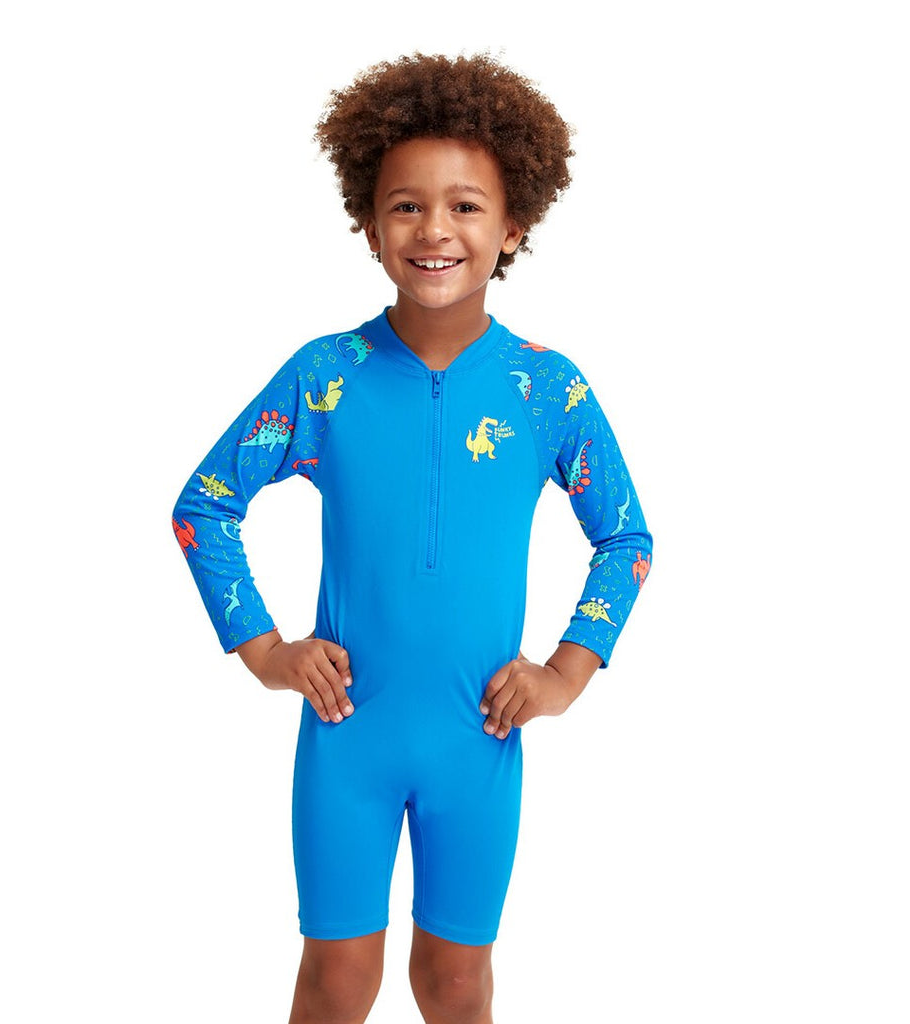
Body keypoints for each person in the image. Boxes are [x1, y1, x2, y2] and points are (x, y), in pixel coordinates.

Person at [172, 52, 652, 1024]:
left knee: (455, 981)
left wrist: (567, 671)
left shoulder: (545, 389)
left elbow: (625, 538)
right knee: (337, 980)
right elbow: (205, 504)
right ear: (368, 224)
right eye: (406, 206)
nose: (434, 229)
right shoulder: (326, 376)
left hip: (478, 736)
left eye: (465, 206)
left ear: (512, 226)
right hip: (348, 733)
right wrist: (266, 650)